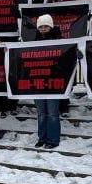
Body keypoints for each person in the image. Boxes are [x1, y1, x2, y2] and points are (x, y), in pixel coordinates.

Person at [33, 14, 62, 149]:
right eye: (41, 26)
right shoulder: (33, 42)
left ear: (51, 27)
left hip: (53, 82)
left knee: (52, 112)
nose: (43, 29)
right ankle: (42, 138)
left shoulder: (60, 41)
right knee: (41, 113)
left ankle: (53, 140)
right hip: (38, 82)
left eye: (46, 26)